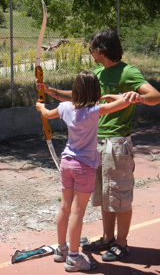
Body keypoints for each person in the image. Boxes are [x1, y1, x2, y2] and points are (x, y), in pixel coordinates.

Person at [36, 29, 160, 263]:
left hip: (116, 143)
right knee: (105, 195)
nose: (90, 53)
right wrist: (50, 91)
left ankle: (121, 244)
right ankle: (107, 238)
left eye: (91, 49)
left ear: (100, 50)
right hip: (95, 144)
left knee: (120, 194)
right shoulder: (98, 73)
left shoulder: (128, 71)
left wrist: (137, 97)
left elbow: (155, 96)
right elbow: (79, 96)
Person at [36, 70, 130, 272]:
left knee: (65, 207)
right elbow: (124, 102)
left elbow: (46, 113)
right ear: (96, 91)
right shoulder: (95, 110)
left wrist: (40, 105)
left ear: (75, 90)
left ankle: (61, 250)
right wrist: (115, 96)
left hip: (67, 163)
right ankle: (73, 258)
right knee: (77, 212)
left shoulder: (65, 107)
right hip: (84, 167)